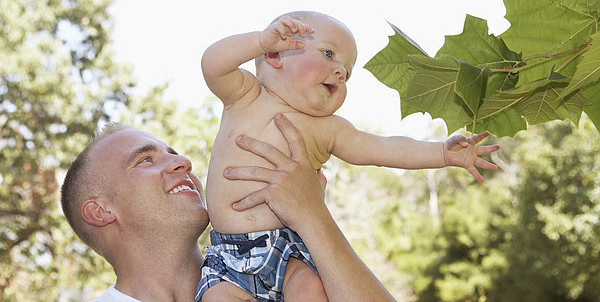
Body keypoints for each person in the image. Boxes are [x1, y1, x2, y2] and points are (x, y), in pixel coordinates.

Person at [199, 11, 500, 301]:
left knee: (312, 290)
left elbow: (385, 148)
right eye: (329, 55)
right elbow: (212, 64)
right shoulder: (245, 96)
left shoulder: (329, 129)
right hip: (228, 255)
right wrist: (260, 40)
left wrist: (442, 153)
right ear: (275, 56)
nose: (341, 72)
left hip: (290, 254)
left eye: (348, 72)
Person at [61, 114, 397, 302]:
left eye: (173, 152)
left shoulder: (284, 277)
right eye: (145, 159)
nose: (183, 162)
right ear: (101, 211)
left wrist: (312, 217)